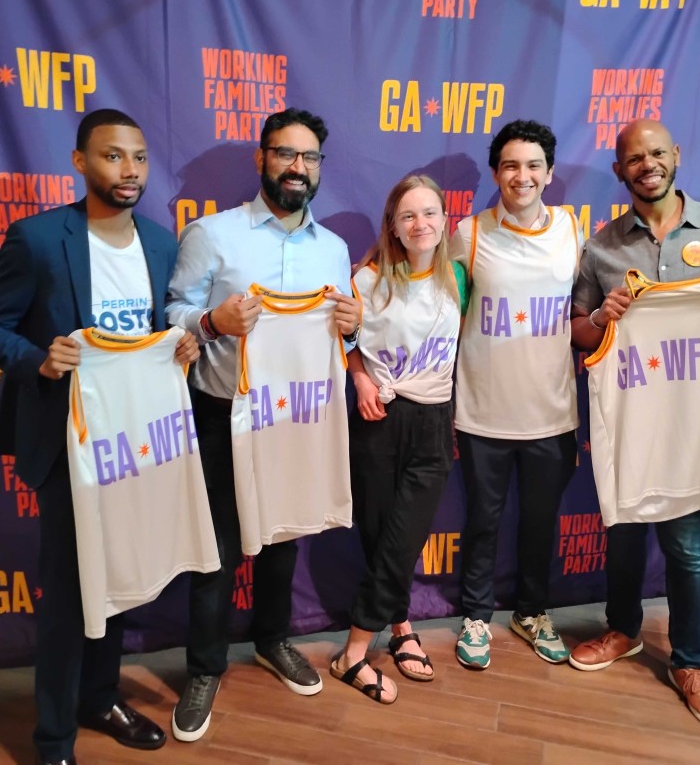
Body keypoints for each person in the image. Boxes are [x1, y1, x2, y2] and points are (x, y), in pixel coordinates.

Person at [0, 109, 196, 765]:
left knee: (118, 576)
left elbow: (158, 336)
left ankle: (100, 697)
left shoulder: (160, 243)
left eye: (139, 158)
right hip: (67, 443)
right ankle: (53, 740)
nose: (129, 171)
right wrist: (37, 357)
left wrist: (178, 349)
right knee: (69, 594)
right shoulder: (39, 239)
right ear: (79, 163)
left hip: (136, 445)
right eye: (113, 156)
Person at [569, 118, 700, 731]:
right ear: (619, 170)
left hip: (691, 423)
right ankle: (623, 631)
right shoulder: (602, 246)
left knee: (688, 549)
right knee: (624, 535)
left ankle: (690, 663)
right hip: (631, 422)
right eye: (633, 157)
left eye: (656, 153)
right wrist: (603, 318)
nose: (647, 164)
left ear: (675, 156)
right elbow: (579, 331)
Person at [165, 108, 361, 741]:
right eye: (285, 154)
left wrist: (352, 328)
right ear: (262, 159)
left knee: (282, 536)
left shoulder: (333, 249)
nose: (297, 167)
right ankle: (203, 668)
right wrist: (211, 323)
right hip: (221, 411)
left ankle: (272, 639)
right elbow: (172, 311)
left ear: (319, 168)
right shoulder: (213, 234)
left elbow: (336, 341)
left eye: (308, 158)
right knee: (217, 549)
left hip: (294, 418)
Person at [450, 120, 583, 670]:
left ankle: (531, 613)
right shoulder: (469, 233)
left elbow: (586, 312)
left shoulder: (573, 231)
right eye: (510, 165)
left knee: (540, 522)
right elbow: (437, 310)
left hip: (552, 414)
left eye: (532, 166)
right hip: (483, 412)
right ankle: (476, 615)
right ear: (496, 173)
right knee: (482, 521)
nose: (521, 176)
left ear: (549, 174)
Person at [330, 174, 466, 703]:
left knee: (404, 537)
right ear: (393, 224)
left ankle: (353, 651)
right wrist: (360, 379)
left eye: (430, 212)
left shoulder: (458, 274)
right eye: (408, 215)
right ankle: (402, 624)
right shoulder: (365, 280)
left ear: (443, 220)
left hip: (433, 421)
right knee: (380, 535)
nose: (420, 224)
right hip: (377, 416)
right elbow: (344, 342)